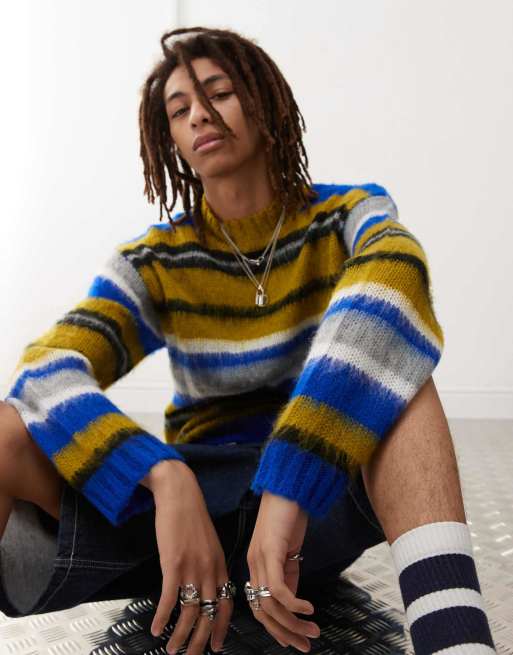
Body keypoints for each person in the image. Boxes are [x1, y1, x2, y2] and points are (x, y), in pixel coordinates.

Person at [0, 25, 496, 655]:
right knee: (6, 430)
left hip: (310, 514)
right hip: (185, 525)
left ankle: (457, 643)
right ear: (170, 140)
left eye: (219, 92)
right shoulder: (154, 261)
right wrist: (162, 476)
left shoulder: (348, 214)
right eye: (179, 109)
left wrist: (290, 480)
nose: (199, 115)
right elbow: (43, 369)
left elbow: (395, 281)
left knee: (402, 374)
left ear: (266, 104)